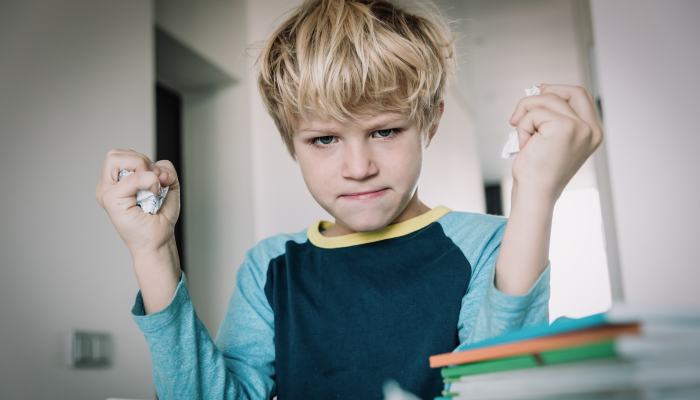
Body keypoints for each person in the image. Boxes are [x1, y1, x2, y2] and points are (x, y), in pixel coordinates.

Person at [94, 0, 603, 398]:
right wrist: (154, 253)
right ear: (288, 141)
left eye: (384, 131)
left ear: (430, 121)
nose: (358, 168)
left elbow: (498, 388)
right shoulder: (270, 267)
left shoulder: (490, 244)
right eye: (324, 139)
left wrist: (535, 194)